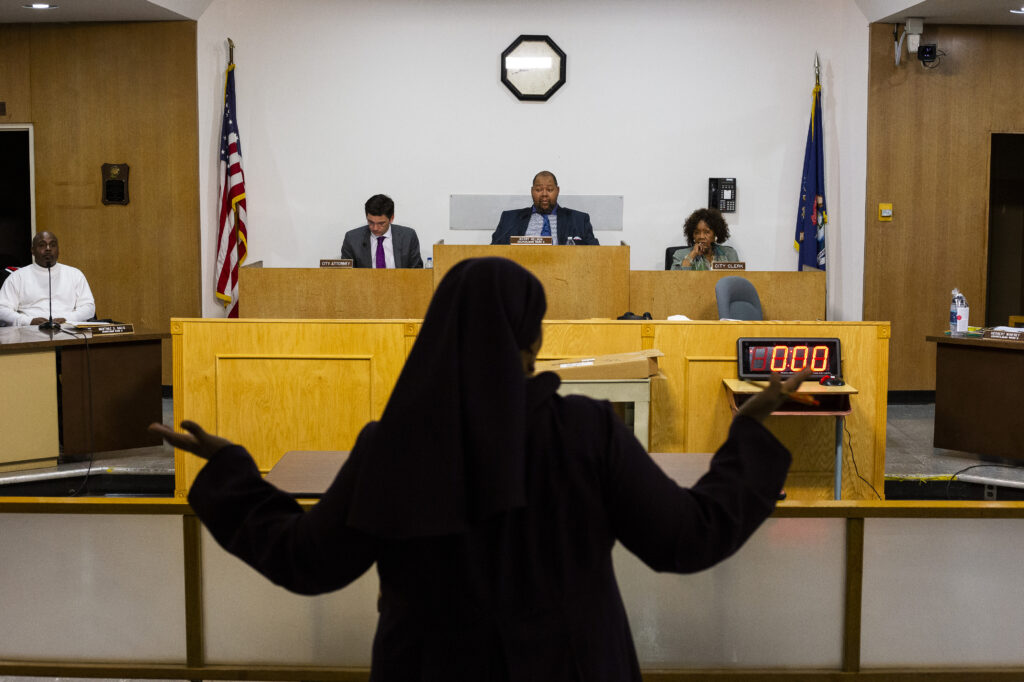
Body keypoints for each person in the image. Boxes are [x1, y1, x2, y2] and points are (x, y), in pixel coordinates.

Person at [152, 258, 805, 681]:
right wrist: (746, 436)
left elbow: (307, 561)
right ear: (534, 340)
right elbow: (687, 539)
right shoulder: (585, 432)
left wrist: (233, 472)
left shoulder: (391, 446)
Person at [0, 231, 95, 327]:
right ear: (32, 250)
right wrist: (28, 321)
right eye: (42, 245)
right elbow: (2, 309)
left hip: (68, 329)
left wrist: (67, 318)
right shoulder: (17, 277)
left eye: (52, 245)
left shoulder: (75, 274)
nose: (48, 249)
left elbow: (89, 308)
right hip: (29, 332)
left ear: (58, 250)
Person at [490, 171, 599, 245]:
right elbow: (493, 251)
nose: (544, 194)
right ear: (532, 191)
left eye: (550, 189)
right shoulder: (510, 219)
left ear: (557, 190)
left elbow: (595, 253)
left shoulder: (578, 220)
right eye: (538, 190)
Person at [341, 194, 423, 268]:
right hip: (365, 284)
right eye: (371, 222)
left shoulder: (408, 237)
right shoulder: (352, 239)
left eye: (381, 223)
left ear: (391, 218)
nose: (375, 228)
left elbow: (417, 271)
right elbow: (347, 274)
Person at [670, 207, 739, 270]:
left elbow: (736, 281)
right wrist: (692, 255)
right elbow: (676, 280)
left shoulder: (729, 254)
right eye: (697, 232)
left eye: (707, 232)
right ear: (692, 235)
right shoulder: (680, 255)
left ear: (715, 234)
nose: (701, 237)